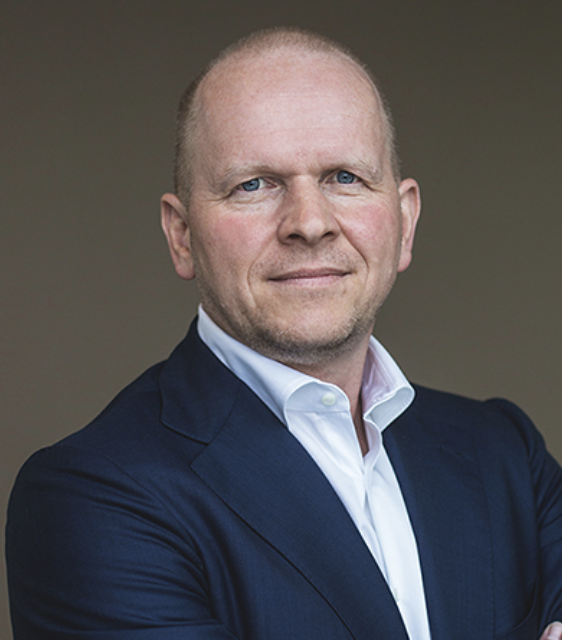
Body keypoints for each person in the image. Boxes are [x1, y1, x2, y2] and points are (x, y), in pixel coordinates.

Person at [6, 27, 562, 640]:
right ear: (181, 235)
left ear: (404, 223)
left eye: (345, 177)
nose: (310, 222)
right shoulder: (91, 498)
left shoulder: (505, 453)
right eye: (254, 184)